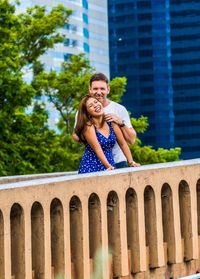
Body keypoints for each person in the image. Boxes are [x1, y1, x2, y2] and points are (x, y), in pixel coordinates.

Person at [73, 72, 138, 168]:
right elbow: (77, 136)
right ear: (90, 89)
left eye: (102, 88)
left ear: (108, 89)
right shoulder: (82, 113)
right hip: (95, 162)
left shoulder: (119, 109)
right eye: (95, 88)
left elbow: (131, 140)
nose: (99, 92)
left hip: (119, 161)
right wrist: (83, 132)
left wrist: (120, 122)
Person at [75, 95, 140, 174]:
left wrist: (131, 162)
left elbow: (123, 144)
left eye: (96, 102)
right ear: (88, 113)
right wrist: (108, 166)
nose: (95, 105)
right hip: (91, 166)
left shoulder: (111, 122)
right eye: (91, 106)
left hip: (110, 164)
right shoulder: (88, 126)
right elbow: (97, 149)